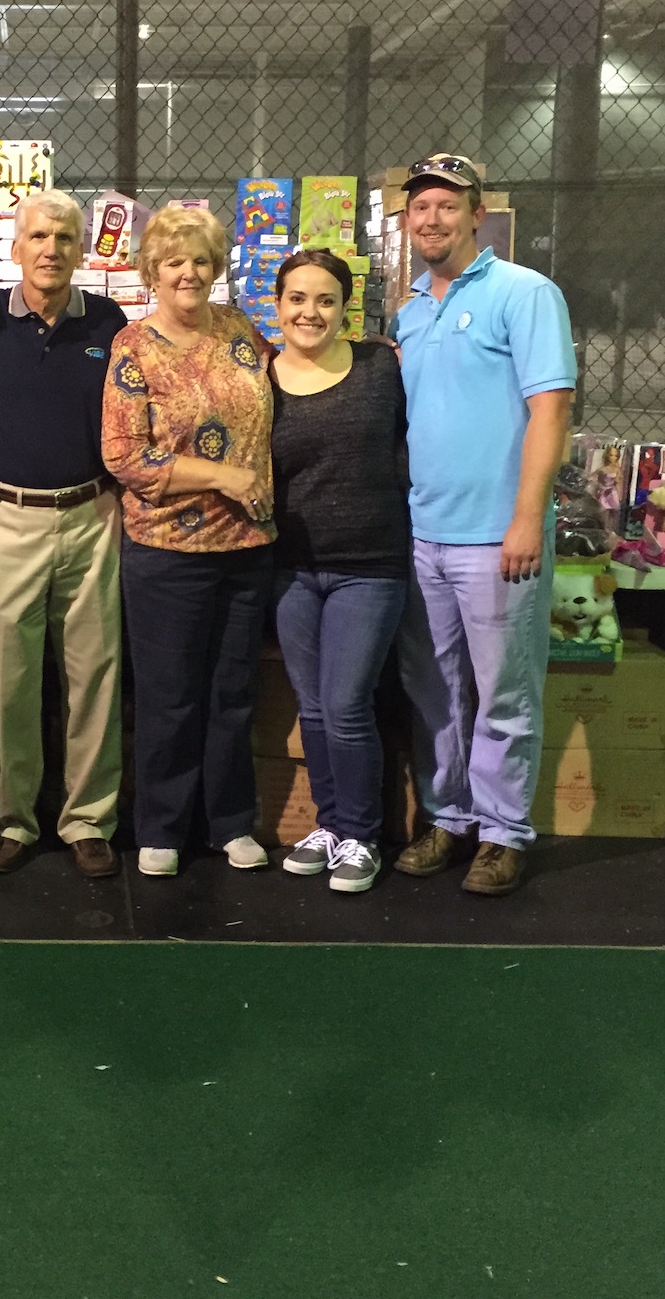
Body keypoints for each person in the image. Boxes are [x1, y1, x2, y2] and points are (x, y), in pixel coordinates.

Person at [390, 153, 575, 895]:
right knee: (435, 688)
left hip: (499, 537)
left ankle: (503, 833)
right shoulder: (410, 309)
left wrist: (527, 517)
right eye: (419, 208)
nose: (431, 219)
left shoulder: (523, 293)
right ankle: (448, 815)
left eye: (446, 205)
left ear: (476, 214)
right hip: (422, 534)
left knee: (504, 690)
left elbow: (550, 410)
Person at [101, 205, 276, 877]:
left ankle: (229, 823)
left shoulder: (240, 331)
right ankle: (163, 827)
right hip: (165, 551)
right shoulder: (133, 347)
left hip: (247, 545)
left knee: (232, 692)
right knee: (170, 695)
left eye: (201, 261)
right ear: (152, 270)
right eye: (175, 261)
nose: (190, 273)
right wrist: (222, 475)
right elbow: (123, 455)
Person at [0, 190, 126, 879]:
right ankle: (15, 820)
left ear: (83, 248)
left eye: (64, 238)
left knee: (95, 675)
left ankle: (89, 818)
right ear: (15, 245)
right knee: (11, 679)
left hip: (93, 516)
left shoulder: (111, 320)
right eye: (38, 237)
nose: (51, 250)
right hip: (8, 519)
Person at [267, 249, 409, 894]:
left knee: (349, 704)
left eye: (325, 300)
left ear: (345, 308)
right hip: (291, 569)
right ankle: (330, 825)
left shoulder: (383, 367)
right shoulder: (259, 381)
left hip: (369, 567)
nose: (310, 312)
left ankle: (362, 834)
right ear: (277, 306)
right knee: (316, 707)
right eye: (297, 298)